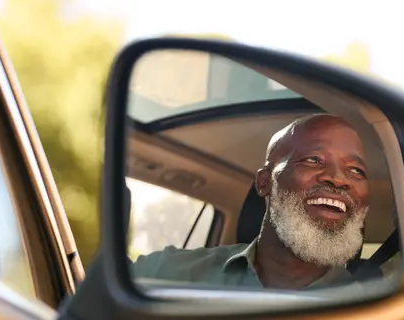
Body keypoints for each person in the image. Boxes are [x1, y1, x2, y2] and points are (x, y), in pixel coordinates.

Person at [132, 113, 370, 290]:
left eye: (357, 171)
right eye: (314, 159)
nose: (339, 179)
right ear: (264, 182)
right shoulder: (166, 273)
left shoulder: (372, 308)